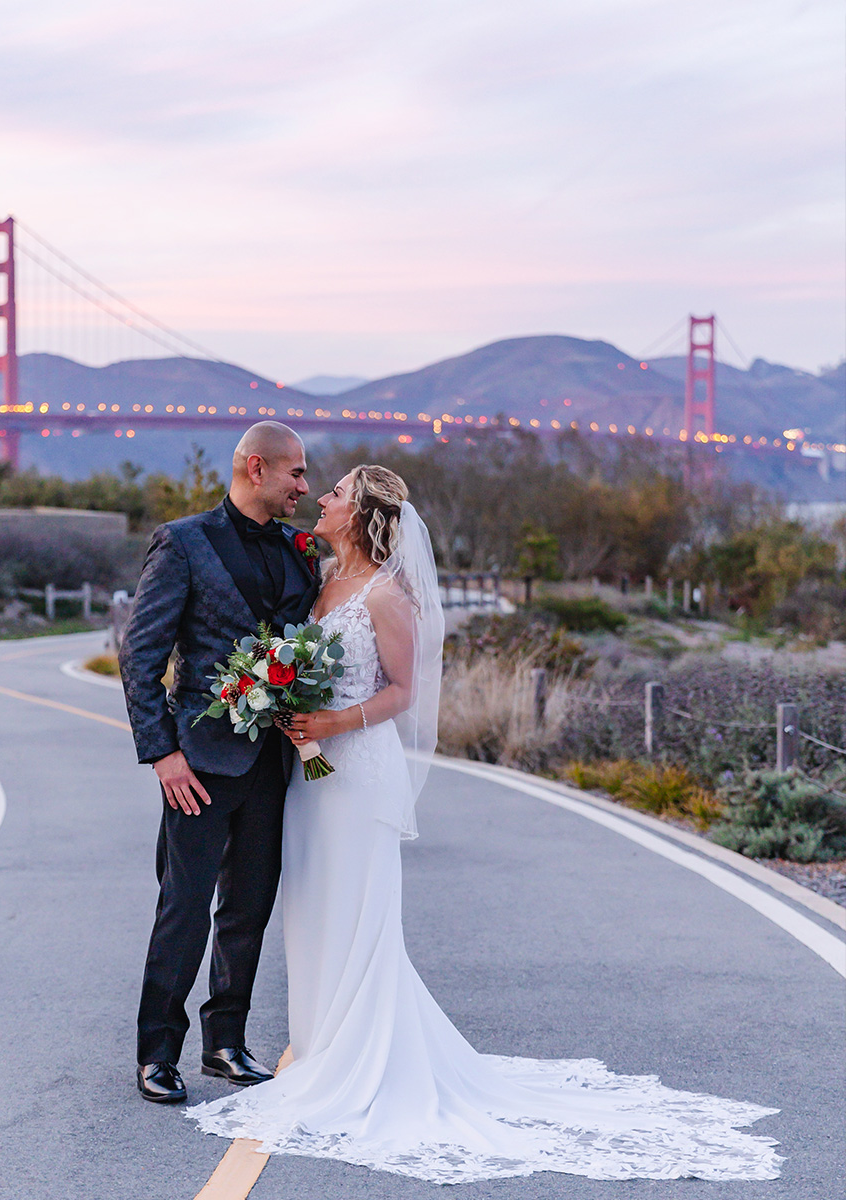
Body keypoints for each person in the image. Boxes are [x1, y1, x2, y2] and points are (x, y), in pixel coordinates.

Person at [186, 463, 783, 1184]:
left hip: (356, 771)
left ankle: (360, 1058)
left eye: (336, 492)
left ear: (362, 512)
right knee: (313, 908)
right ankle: (321, 1049)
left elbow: (404, 692)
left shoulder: (387, 594)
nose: (321, 497)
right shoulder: (321, 583)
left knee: (357, 911)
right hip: (312, 775)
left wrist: (337, 718)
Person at [118, 422, 320, 1103]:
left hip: (273, 764)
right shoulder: (184, 542)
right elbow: (140, 657)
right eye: (295, 474)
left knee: (248, 909)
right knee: (183, 907)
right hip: (198, 764)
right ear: (255, 468)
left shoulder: (300, 549)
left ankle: (225, 1044)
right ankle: (157, 1054)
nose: (304, 487)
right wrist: (163, 753)